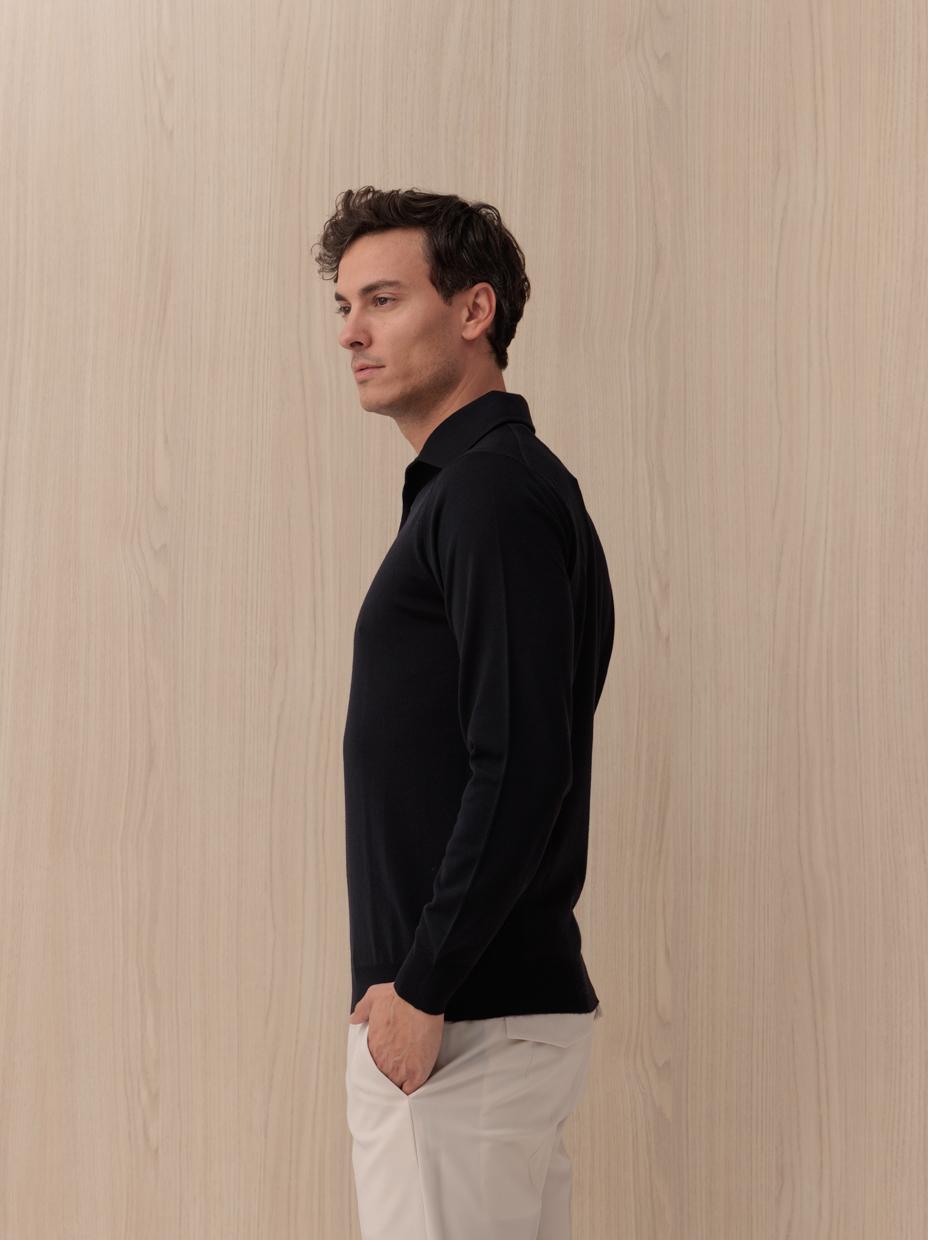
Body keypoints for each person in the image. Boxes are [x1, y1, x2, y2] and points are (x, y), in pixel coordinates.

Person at [312, 186, 614, 1239]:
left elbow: (521, 760)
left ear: (474, 310)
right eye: (345, 305)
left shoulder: (487, 494)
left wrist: (422, 988)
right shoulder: (480, 492)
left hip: (457, 1032)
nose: (351, 332)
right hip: (471, 1027)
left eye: (383, 299)